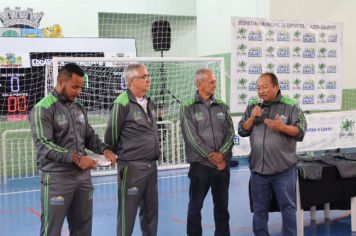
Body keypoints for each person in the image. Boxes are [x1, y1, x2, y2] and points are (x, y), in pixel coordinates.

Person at [29, 63, 117, 236]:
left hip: (83, 178)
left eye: (81, 87)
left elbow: (89, 136)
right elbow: (43, 144)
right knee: (51, 230)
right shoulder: (43, 109)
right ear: (61, 82)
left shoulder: (79, 108)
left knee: (83, 228)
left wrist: (105, 149)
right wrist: (76, 158)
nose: (78, 91)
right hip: (57, 179)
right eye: (75, 86)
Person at [238, 72, 307, 236]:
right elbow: (242, 130)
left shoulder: (291, 105)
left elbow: (301, 132)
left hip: (283, 170)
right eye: (258, 87)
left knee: (288, 208)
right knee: (259, 209)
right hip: (258, 171)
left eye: (264, 87)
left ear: (276, 87)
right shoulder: (253, 106)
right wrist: (252, 118)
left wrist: (282, 127)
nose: (261, 91)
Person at [104, 63, 160, 236]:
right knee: (127, 215)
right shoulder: (122, 103)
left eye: (148, 75)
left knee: (151, 213)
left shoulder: (149, 102)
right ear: (131, 81)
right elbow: (110, 136)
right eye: (143, 77)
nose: (148, 79)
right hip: (132, 168)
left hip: (151, 166)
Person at [180, 68, 234, 236]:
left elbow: (230, 133)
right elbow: (191, 137)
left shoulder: (222, 107)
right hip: (200, 167)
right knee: (195, 207)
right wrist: (212, 157)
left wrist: (222, 155)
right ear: (199, 83)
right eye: (211, 81)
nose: (215, 84)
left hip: (222, 166)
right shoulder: (188, 107)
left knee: (222, 208)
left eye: (215, 81)